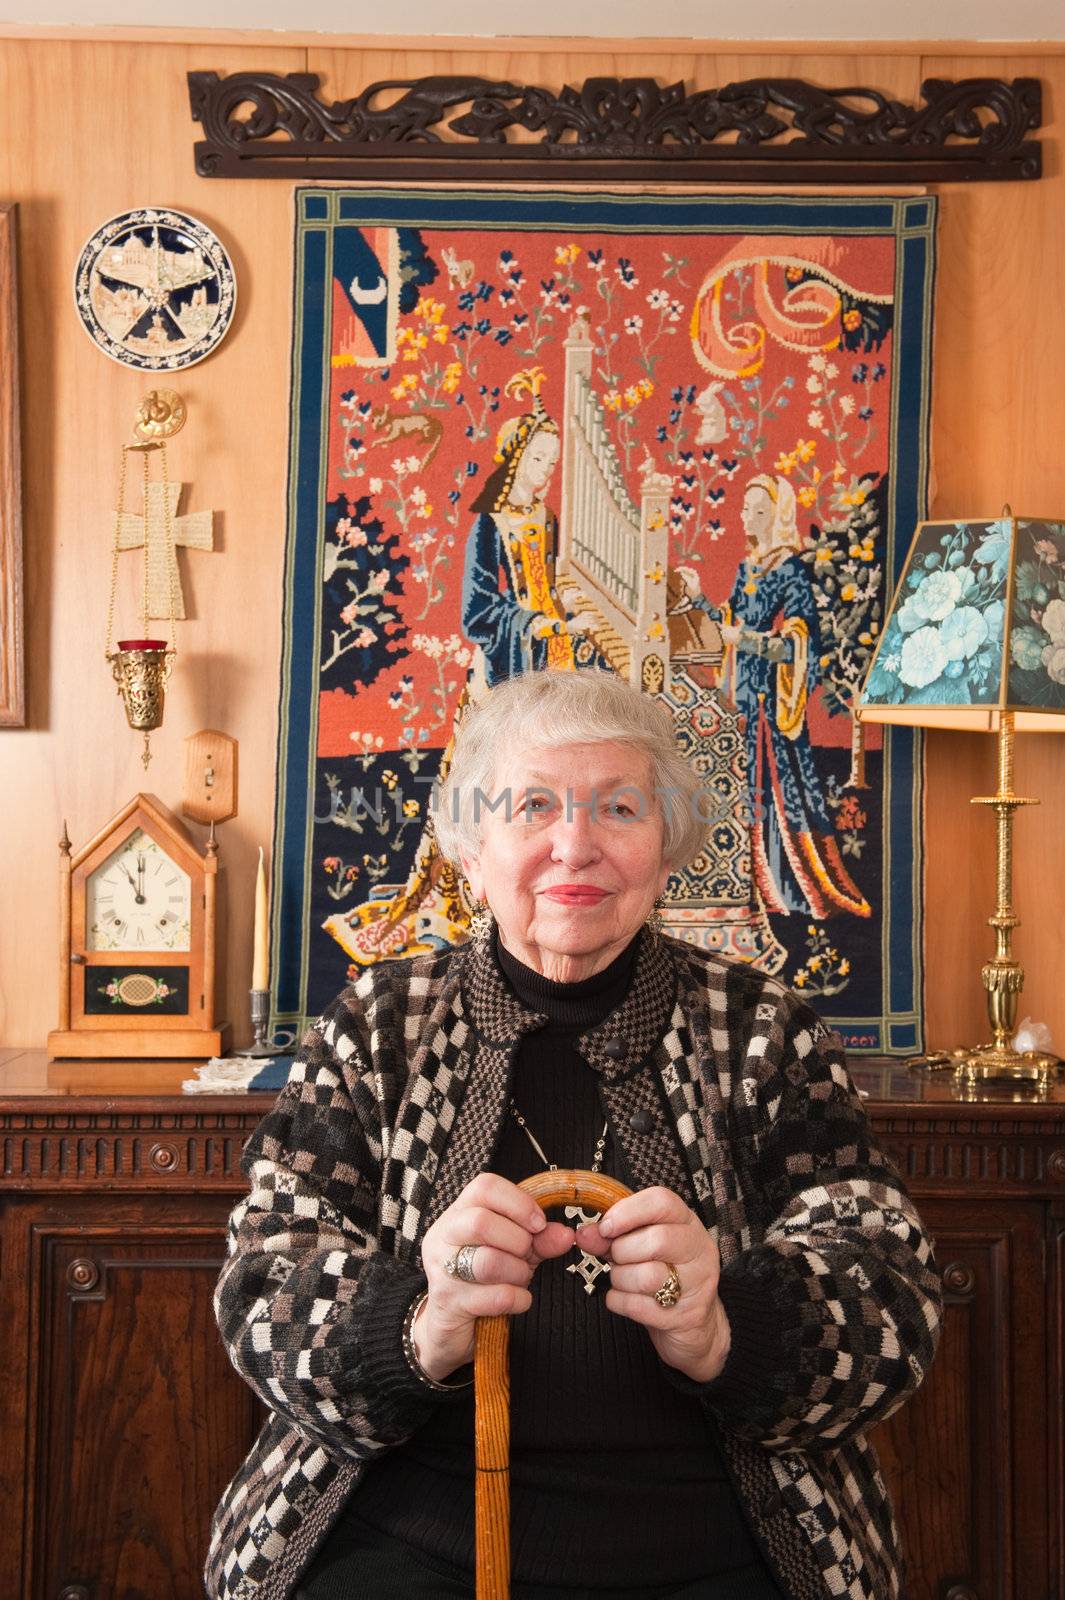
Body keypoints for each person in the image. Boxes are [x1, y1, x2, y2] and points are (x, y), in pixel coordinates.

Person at [206, 669, 941, 1600]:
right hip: (406, 1533)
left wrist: (725, 1330)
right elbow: (262, 1280)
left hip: (715, 1535)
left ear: (664, 850)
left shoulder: (761, 1029)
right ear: (471, 852)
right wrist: (416, 1327)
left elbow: (892, 1292)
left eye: (619, 809)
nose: (574, 846)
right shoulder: (377, 1025)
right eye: (532, 807)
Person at [717, 474, 870, 920]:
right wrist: (695, 602)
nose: (749, 517)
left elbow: (800, 644)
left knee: (776, 789)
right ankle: (744, 881)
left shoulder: (791, 570)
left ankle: (786, 886)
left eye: (760, 510)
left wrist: (746, 640)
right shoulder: (747, 568)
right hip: (744, 698)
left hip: (772, 704)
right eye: (747, 509)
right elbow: (727, 623)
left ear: (778, 516)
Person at [462, 367, 597, 686]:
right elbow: (478, 607)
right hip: (514, 651)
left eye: (551, 462)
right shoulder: (489, 521)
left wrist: (564, 605)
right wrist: (542, 625)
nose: (546, 470)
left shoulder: (546, 516)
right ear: (515, 457)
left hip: (555, 643)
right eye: (537, 459)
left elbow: (544, 589)